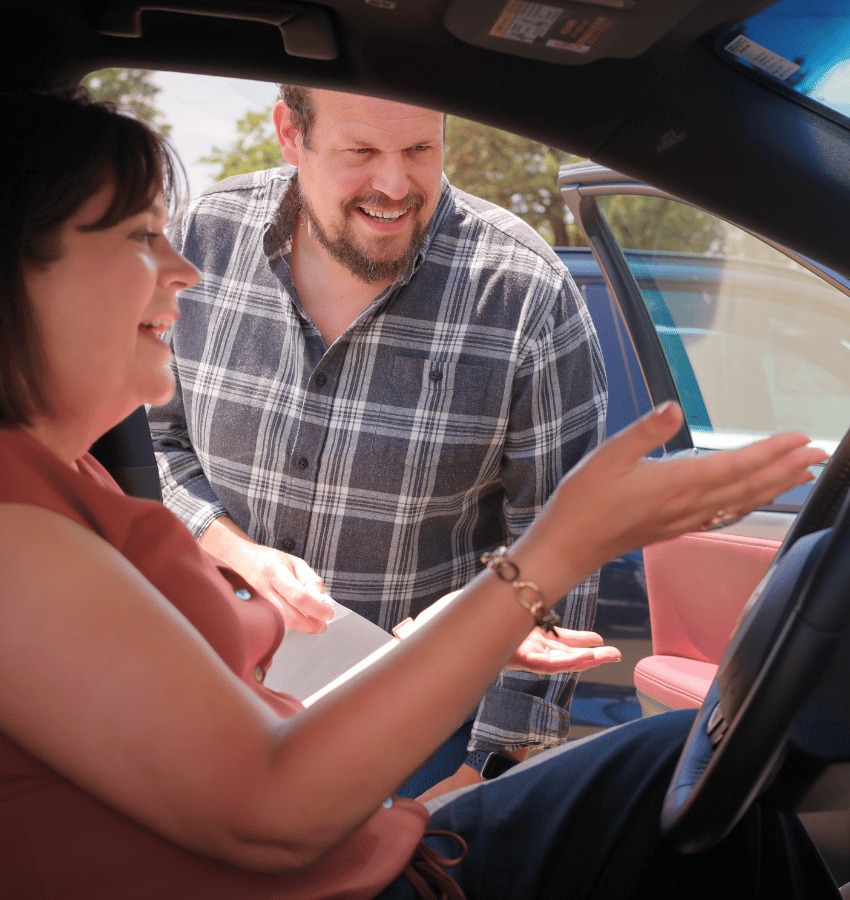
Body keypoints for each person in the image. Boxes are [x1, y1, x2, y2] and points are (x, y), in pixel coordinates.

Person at [0, 88, 837, 900]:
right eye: (142, 239)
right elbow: (268, 811)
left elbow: (205, 743)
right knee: (680, 778)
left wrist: (479, 713)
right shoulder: (20, 529)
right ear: (291, 135)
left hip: (375, 772)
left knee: (691, 781)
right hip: (335, 846)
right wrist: (559, 551)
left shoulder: (69, 475)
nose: (183, 270)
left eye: (419, 150)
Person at [148, 84, 609, 795]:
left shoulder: (526, 293)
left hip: (417, 745)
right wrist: (236, 550)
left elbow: (558, 542)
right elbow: (150, 444)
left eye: (421, 149)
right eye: (361, 151)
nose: (394, 186)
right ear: (290, 134)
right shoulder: (204, 237)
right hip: (199, 697)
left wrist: (480, 773)